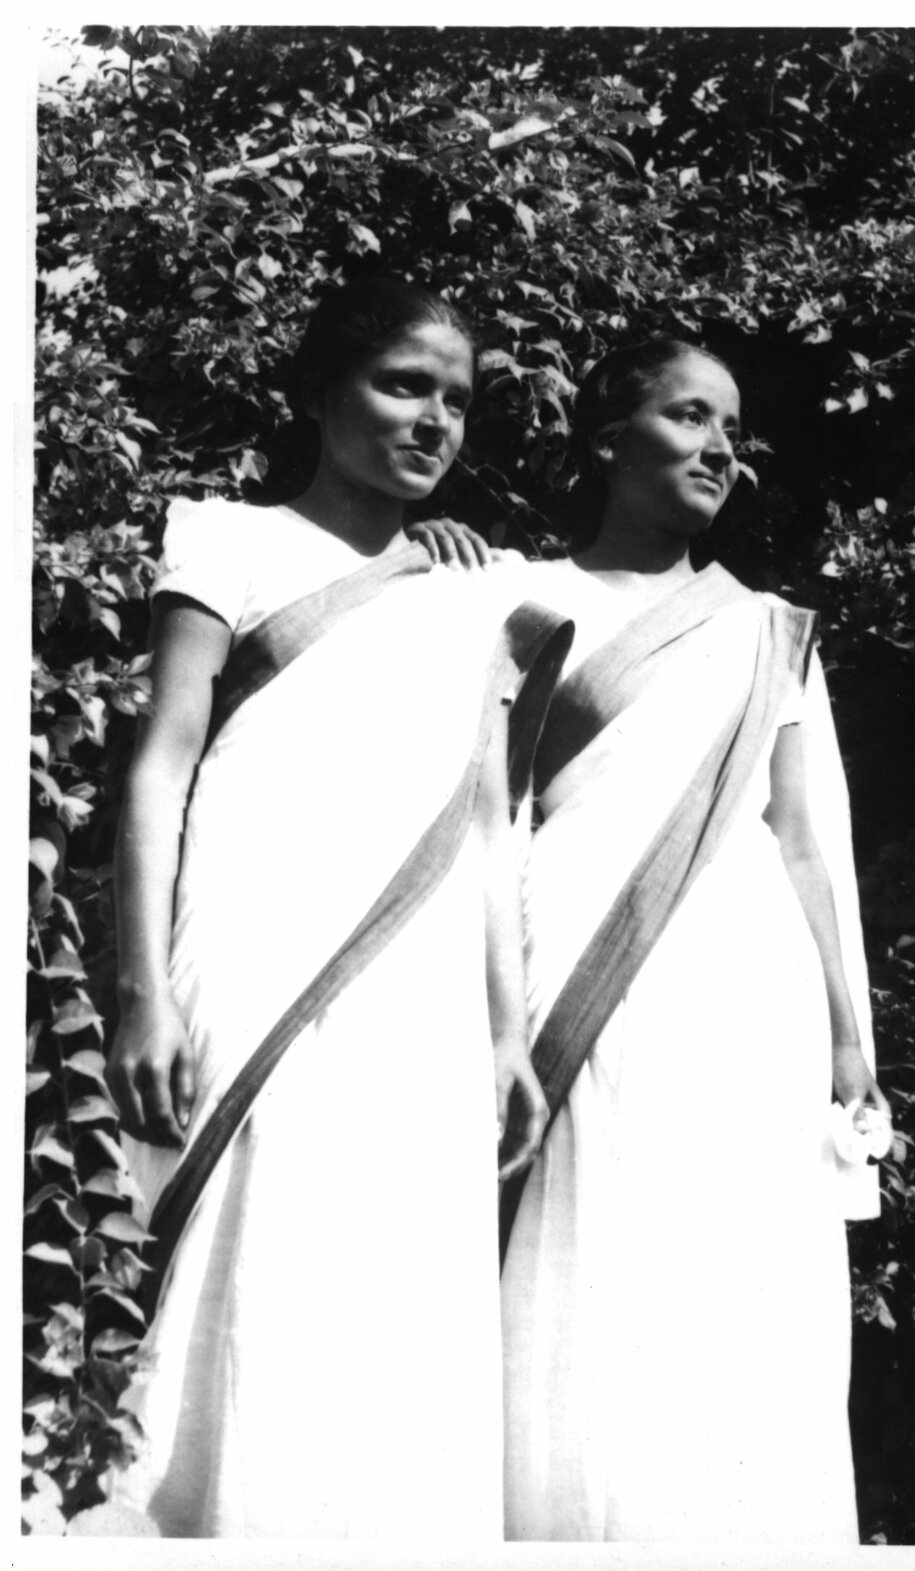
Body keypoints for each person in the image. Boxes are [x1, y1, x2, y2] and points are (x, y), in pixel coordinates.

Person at [105, 278, 560, 1538]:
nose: (432, 420)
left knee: (391, 1298)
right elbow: (164, 759)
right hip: (253, 950)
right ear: (319, 390)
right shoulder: (228, 538)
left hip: (416, 997)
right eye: (401, 384)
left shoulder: (478, 587)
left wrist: (508, 1029)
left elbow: (485, 818)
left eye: (457, 400)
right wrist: (140, 988)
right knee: (251, 1267)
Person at [497, 337, 892, 1545]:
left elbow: (809, 839)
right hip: (572, 973)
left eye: (732, 427)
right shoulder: (518, 604)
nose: (722, 447)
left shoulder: (771, 630)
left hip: (742, 986)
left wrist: (848, 1033)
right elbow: (490, 819)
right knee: (593, 1278)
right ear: (606, 437)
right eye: (688, 416)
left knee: (738, 1293)